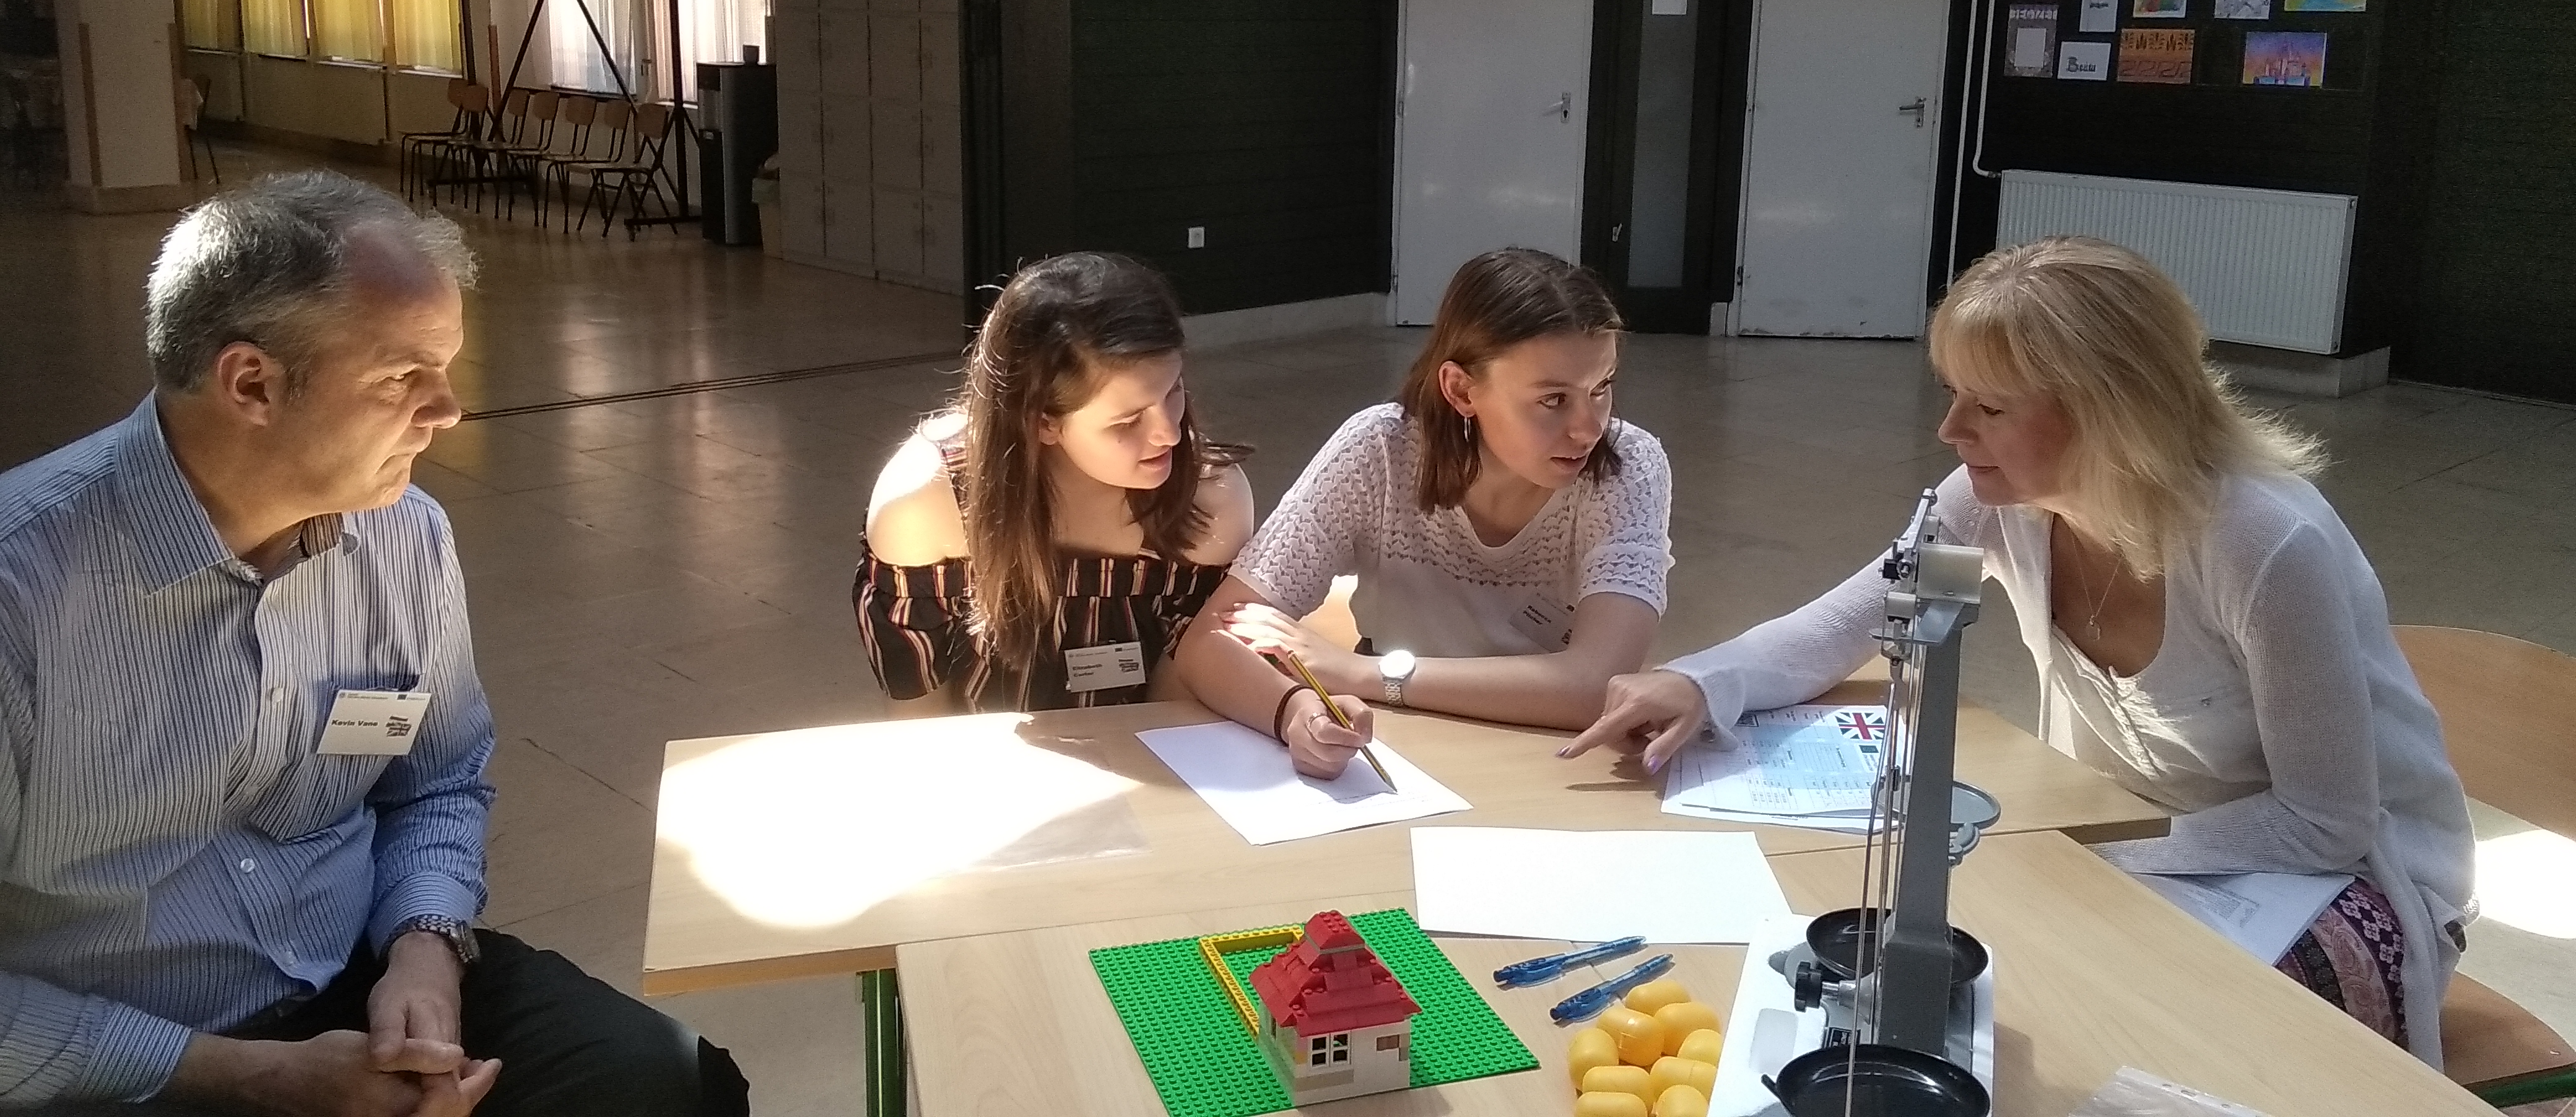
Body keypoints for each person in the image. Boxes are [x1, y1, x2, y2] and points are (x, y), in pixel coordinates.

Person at [1564, 235, 2473, 1063]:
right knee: (1961, 982)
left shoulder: (2261, 544)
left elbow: (2324, 823)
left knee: (2091, 1027)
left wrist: (2082, 856)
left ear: (2110, 414)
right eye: (1953, 395)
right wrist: (1698, 681)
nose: (1950, 431)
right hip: (2128, 848)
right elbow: (1844, 625)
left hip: (2340, 882)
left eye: (1989, 406)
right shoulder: (1992, 500)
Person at [0, 172, 748, 1115]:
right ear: (252, 384)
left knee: (669, 1083)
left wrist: (425, 953)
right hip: (119, 1059)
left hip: (358, 977)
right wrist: (257, 1077)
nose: (449, 411)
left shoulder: (404, 538)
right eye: (403, 377)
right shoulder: (21, 591)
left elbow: (437, 781)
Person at [1173, 248, 1672, 778]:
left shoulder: (1628, 466)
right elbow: (1208, 644)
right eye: (1554, 400)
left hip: (1547, 760)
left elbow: (1596, 687)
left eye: (1601, 388)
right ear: (1461, 390)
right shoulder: (1379, 450)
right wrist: (1293, 711)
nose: (1589, 429)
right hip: (1398, 745)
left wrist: (1365, 674)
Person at [855, 251, 1253, 714]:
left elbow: (1175, 713)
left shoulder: (1210, 500)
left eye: (1173, 390)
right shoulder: (925, 505)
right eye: (1128, 422)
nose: (1170, 433)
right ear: (1043, 422)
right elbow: (923, 721)